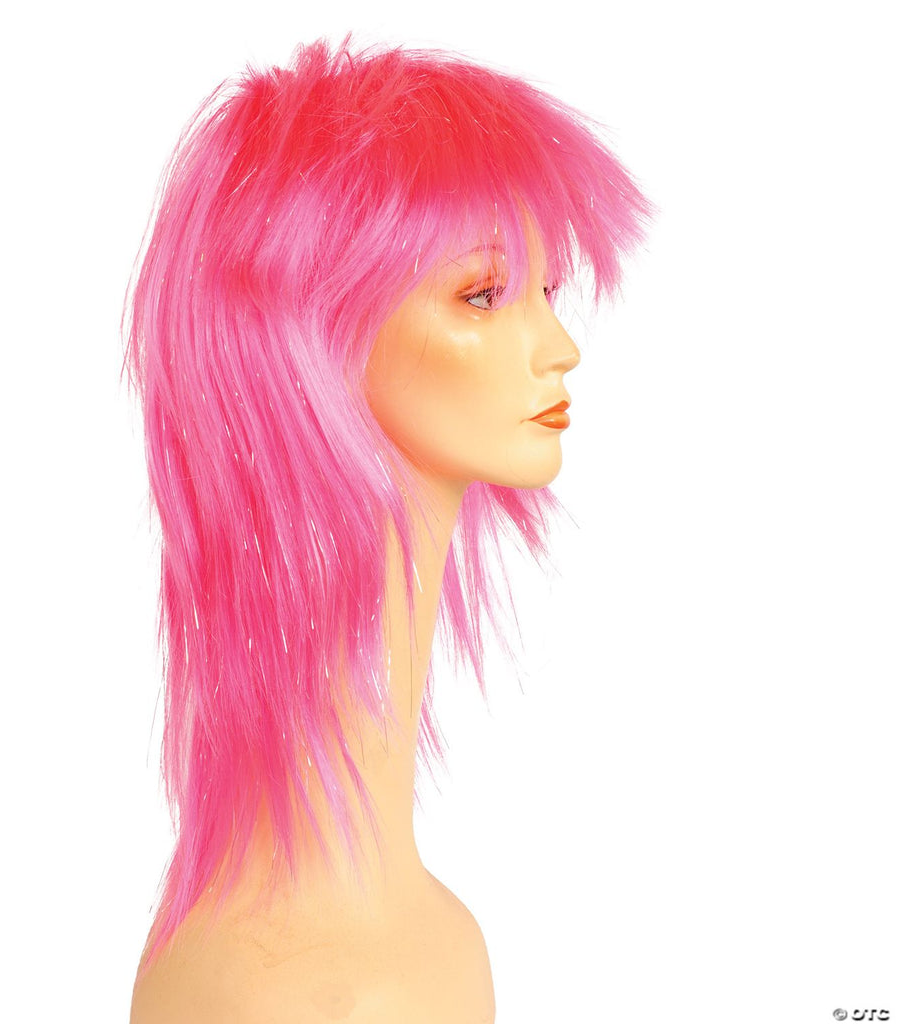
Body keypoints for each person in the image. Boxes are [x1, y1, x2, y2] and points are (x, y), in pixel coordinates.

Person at [125, 37, 650, 1023]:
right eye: (482, 294)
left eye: (546, 291)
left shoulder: (419, 945)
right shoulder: (292, 990)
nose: (559, 347)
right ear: (313, 333)